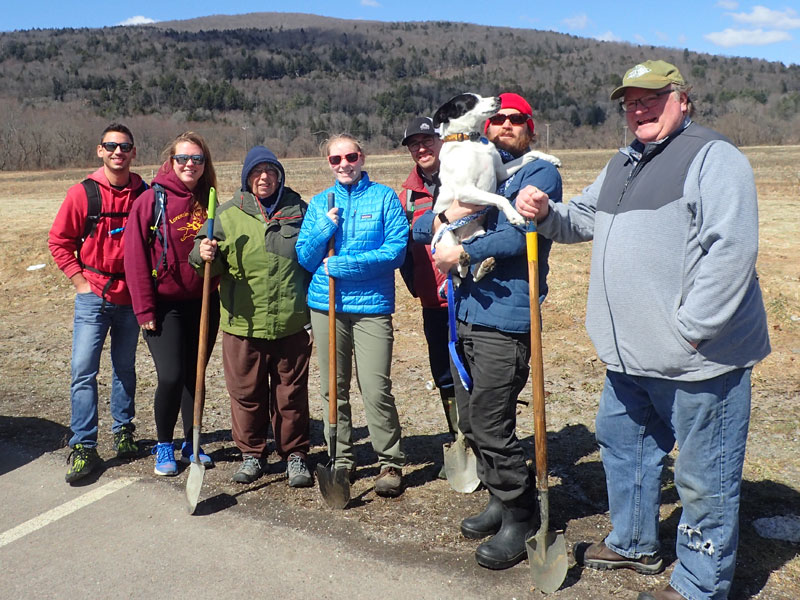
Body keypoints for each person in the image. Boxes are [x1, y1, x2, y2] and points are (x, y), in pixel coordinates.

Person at [515, 60, 771, 600]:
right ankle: (634, 543)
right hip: (628, 357)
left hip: (698, 361)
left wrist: (691, 330)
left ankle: (701, 585)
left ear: (682, 98)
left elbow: (733, 249)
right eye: (630, 101)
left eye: (651, 97)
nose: (639, 108)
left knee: (704, 479)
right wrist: (542, 211)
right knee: (623, 446)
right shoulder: (623, 162)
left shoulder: (713, 157)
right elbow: (577, 220)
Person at [412, 92, 563, 569]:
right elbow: (421, 228)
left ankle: (521, 515)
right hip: (467, 312)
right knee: (473, 421)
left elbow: (522, 233)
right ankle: (500, 498)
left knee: (492, 422)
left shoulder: (541, 173)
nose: (502, 127)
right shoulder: (479, 161)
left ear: (529, 128)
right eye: (496, 120)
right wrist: (442, 218)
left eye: (514, 121)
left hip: (508, 314)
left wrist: (465, 251)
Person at [189, 146, 314, 488]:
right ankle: (252, 454)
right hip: (242, 323)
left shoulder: (300, 211)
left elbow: (316, 253)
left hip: (291, 321)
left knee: (290, 394)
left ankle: (295, 455)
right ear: (246, 177)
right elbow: (197, 259)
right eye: (257, 172)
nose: (264, 177)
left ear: (280, 175)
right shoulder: (227, 215)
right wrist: (202, 252)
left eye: (270, 171)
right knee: (246, 393)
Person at [296, 134, 408, 497]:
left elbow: (395, 252)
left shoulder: (384, 198)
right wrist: (324, 229)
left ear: (362, 157)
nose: (343, 163)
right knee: (333, 388)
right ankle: (341, 456)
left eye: (350, 156)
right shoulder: (318, 204)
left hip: (371, 306)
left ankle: (389, 460)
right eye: (335, 159)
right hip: (326, 307)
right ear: (327, 163)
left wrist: (344, 265)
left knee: (375, 387)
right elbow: (306, 258)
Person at [49, 123, 147, 483]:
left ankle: (124, 433)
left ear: (134, 153)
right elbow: (59, 242)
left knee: (125, 369)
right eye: (111, 146)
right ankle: (84, 446)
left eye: (125, 147)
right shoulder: (83, 194)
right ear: (100, 150)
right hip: (93, 297)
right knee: (83, 372)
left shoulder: (144, 193)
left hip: (131, 299)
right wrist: (80, 283)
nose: (118, 152)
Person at [124, 131, 221, 477]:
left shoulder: (209, 200)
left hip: (204, 302)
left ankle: (192, 442)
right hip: (164, 306)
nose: (190, 165)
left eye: (197, 159)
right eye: (183, 158)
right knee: (171, 375)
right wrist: (145, 310)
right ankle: (164, 443)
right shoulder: (150, 201)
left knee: (195, 376)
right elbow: (134, 258)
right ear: (171, 161)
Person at [396, 116, 459, 478]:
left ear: (441, 141)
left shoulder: (462, 178)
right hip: (433, 305)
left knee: (475, 375)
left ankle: (485, 444)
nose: (422, 148)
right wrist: (418, 286)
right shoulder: (407, 195)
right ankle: (458, 439)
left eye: (427, 141)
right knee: (443, 374)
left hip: (469, 301)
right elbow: (405, 250)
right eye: (413, 144)